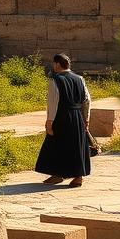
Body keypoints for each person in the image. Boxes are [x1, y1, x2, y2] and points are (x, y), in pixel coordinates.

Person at [34, 53, 92, 187]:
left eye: (54, 64)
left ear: (57, 64)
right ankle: (77, 177)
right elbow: (87, 100)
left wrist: (50, 121)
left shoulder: (55, 79)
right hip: (77, 116)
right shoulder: (80, 79)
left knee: (56, 144)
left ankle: (58, 174)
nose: (53, 66)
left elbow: (53, 102)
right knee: (76, 145)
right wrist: (86, 118)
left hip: (61, 116)